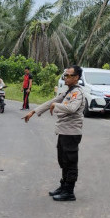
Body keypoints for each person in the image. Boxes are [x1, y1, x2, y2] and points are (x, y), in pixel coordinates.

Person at [22, 65, 84, 201]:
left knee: (70, 161)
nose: (65, 78)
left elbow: (72, 108)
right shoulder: (68, 91)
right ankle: (63, 186)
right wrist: (33, 111)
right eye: (65, 75)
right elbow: (52, 101)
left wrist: (56, 106)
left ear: (76, 77)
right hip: (63, 131)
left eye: (68, 75)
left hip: (72, 132)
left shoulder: (77, 92)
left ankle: (69, 191)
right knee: (63, 160)